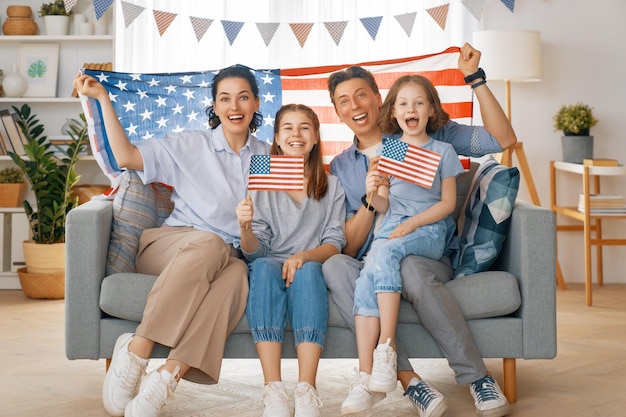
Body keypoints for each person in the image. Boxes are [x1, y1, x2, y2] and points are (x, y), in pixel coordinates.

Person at [322, 43, 514, 417]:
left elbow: (503, 141)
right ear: (337, 111)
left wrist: (474, 78)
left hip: (425, 249)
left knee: (407, 267)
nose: (356, 105)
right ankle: (409, 380)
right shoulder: (342, 166)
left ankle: (476, 377)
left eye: (362, 94)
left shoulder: (433, 135)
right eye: (344, 101)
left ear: (380, 99)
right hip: (375, 252)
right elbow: (349, 245)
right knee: (334, 267)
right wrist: (370, 197)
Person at [73, 65, 270, 417]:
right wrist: (103, 99)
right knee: (210, 244)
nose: (234, 106)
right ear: (215, 104)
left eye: (243, 97)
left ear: (256, 102)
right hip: (170, 246)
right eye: (225, 98)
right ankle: (137, 351)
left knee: (238, 276)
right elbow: (127, 158)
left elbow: (274, 225)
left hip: (229, 256)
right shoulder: (190, 144)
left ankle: (167, 376)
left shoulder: (269, 157)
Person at [353, 74, 466, 402]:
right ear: (393, 113)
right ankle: (364, 378)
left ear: (431, 110)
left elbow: (447, 204)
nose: (410, 108)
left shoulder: (443, 150)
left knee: (386, 255)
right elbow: (384, 204)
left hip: (429, 230)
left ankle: (385, 349)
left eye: (419, 102)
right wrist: (372, 188)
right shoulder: (390, 150)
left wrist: (413, 223)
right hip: (391, 228)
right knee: (365, 279)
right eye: (403, 103)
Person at [236, 103, 346, 417]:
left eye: (304, 128)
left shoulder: (332, 186)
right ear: (277, 138)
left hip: (310, 264)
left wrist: (303, 256)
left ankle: (306, 388)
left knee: (310, 272)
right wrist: (245, 227)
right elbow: (254, 251)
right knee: (265, 266)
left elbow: (335, 241)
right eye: (288, 128)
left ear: (315, 138)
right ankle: (273, 388)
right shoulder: (263, 180)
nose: (296, 134)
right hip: (269, 264)